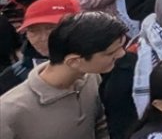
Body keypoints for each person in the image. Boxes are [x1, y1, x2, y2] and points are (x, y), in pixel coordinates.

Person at [0, 12, 129, 139]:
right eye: (110, 53)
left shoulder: (89, 77)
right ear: (74, 61)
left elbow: (100, 126)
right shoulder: (10, 111)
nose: (121, 54)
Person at [0, 0, 82, 96]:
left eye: (51, 28)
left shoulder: (100, 62)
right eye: (33, 31)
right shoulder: (14, 77)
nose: (43, 38)